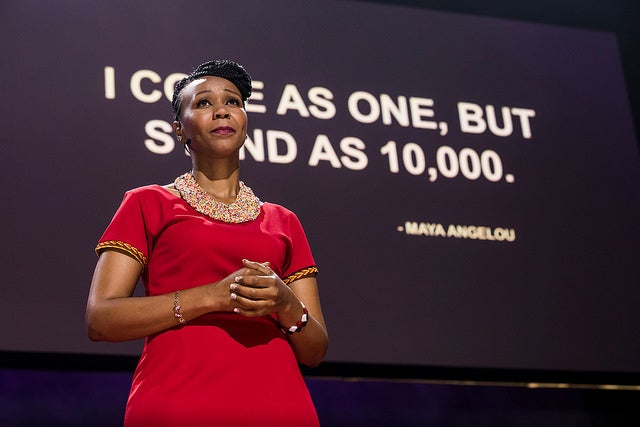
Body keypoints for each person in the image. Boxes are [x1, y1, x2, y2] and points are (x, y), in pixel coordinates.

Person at [86, 60, 328, 426]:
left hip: (280, 403)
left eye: (233, 102)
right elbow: (101, 319)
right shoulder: (147, 202)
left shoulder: (285, 221)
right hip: (179, 401)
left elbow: (314, 351)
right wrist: (212, 296)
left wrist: (286, 302)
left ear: (245, 124)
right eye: (202, 103)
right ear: (179, 130)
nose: (221, 110)